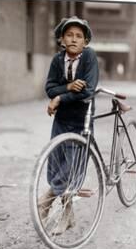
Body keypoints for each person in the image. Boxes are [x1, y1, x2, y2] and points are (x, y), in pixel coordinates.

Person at [38, 16, 99, 234]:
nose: (74, 39)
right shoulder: (57, 60)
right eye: (69, 35)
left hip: (81, 120)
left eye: (79, 36)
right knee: (57, 162)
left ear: (85, 42)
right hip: (61, 120)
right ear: (62, 39)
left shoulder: (89, 57)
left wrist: (60, 98)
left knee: (71, 168)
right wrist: (69, 87)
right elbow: (49, 87)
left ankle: (47, 199)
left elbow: (88, 91)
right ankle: (68, 215)